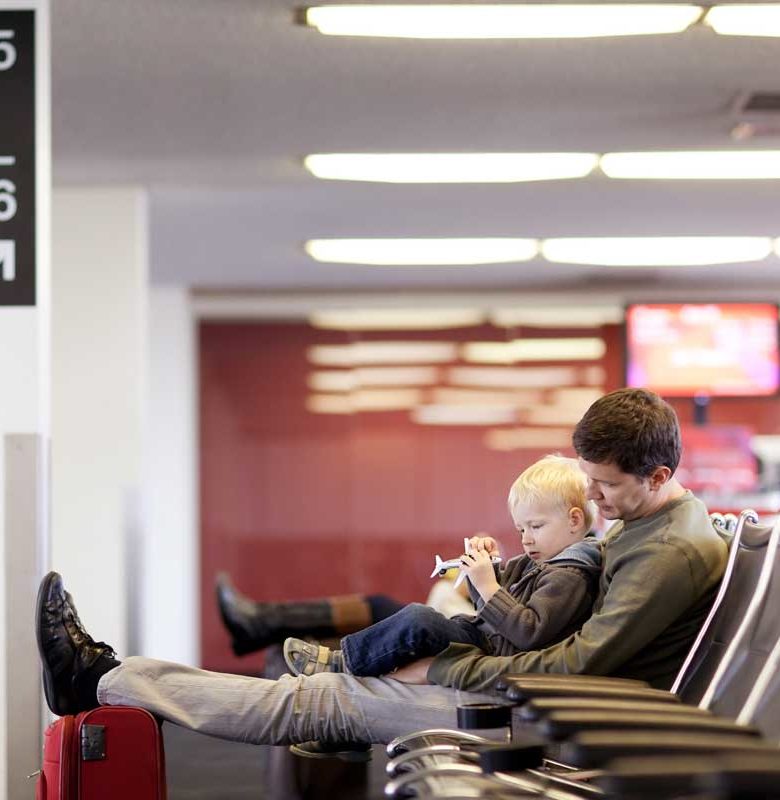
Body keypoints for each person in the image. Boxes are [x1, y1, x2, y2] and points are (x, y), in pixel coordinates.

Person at [36, 388, 728, 749]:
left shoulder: (666, 552)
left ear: (659, 472)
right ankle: (105, 674)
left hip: (556, 716)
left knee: (322, 701)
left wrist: (441, 668)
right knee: (341, 676)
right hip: (542, 696)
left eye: (604, 486)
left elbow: (578, 667)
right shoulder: (647, 525)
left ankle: (104, 679)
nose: (594, 499)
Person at [283, 455, 601, 678]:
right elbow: (491, 604)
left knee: (419, 619)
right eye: (521, 529)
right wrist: (486, 572)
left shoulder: (570, 574)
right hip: (487, 637)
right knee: (418, 620)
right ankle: (348, 663)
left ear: (574, 520)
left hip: (499, 654)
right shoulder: (543, 561)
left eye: (535, 526)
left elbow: (529, 631)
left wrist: (488, 586)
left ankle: (343, 664)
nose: (526, 539)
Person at [216, 570, 474, 657]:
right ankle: (258, 624)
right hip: (454, 623)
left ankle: (258, 623)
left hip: (460, 632)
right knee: (376, 606)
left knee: (378, 605)